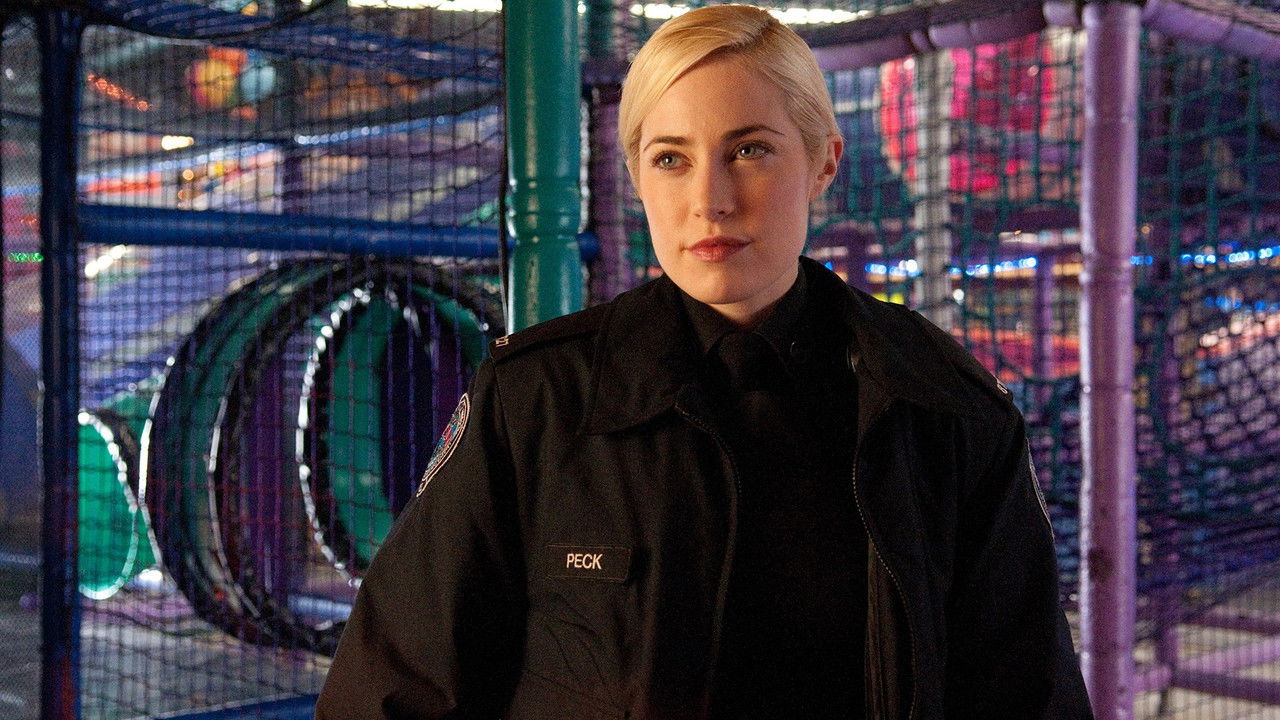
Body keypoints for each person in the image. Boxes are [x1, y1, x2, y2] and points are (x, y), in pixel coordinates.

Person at [315, 5, 1093, 718]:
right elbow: (390, 692)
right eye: (671, 159)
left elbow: (1028, 699)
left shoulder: (944, 409)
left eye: (749, 151)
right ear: (636, 177)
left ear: (823, 162)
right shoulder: (536, 402)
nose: (710, 200)